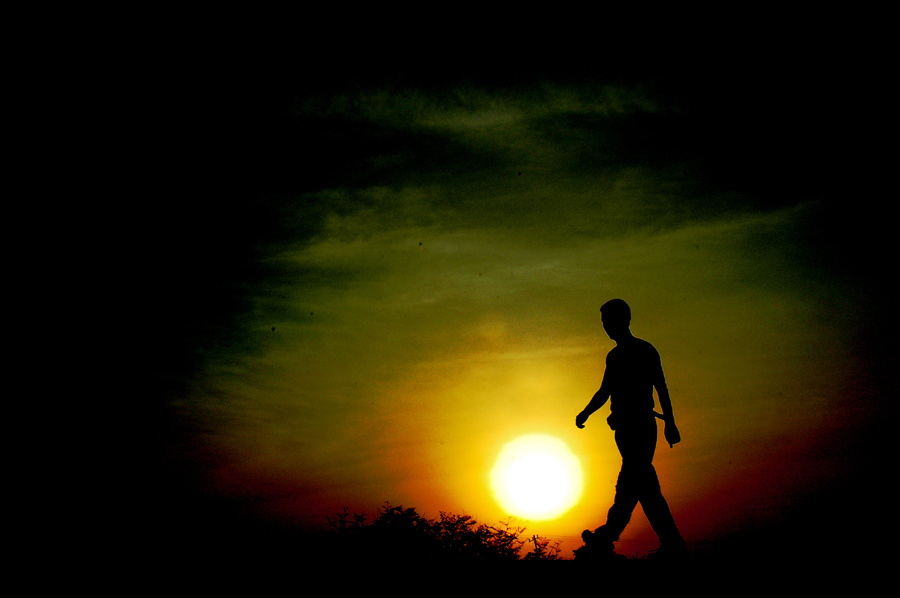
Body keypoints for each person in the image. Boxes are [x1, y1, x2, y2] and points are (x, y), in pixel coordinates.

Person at [575, 299, 687, 560]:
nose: (605, 327)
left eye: (608, 321)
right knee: (642, 487)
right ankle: (668, 544)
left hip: (642, 427)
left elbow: (661, 388)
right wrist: (586, 412)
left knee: (632, 483)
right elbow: (605, 390)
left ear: (622, 320)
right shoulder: (613, 357)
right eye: (603, 322)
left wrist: (670, 423)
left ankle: (607, 537)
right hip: (623, 430)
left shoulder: (645, 350)